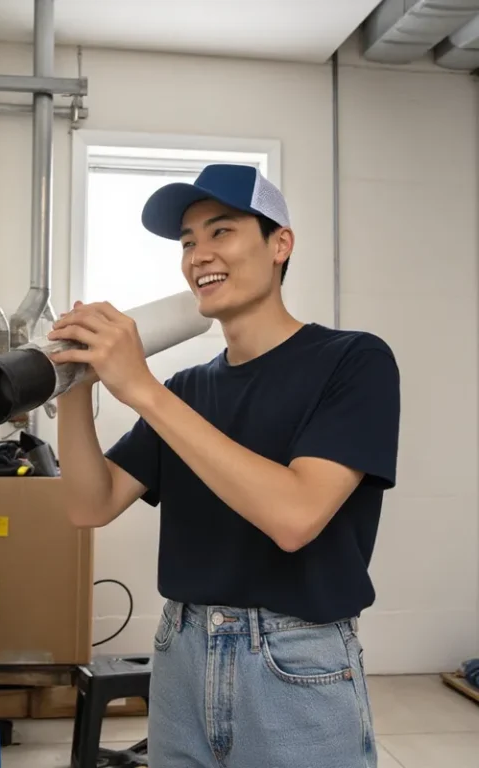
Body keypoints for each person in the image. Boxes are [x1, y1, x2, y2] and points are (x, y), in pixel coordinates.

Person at [48, 163, 400, 768]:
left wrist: (142, 390)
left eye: (222, 231)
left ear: (280, 244)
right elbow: (91, 503)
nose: (198, 255)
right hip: (182, 654)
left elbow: (294, 516)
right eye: (187, 242)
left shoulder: (353, 361)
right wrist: (73, 389)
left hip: (294, 664)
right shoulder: (187, 390)